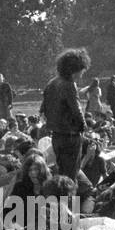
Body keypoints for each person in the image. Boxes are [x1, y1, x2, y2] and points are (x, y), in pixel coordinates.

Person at [41, 49, 89, 180]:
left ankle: (61, 199)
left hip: (56, 136)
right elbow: (76, 111)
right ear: (75, 70)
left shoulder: (51, 83)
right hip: (71, 137)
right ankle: (68, 200)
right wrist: (84, 128)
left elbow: (44, 109)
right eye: (81, 71)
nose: (82, 75)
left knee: (62, 174)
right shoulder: (69, 85)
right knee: (71, 177)